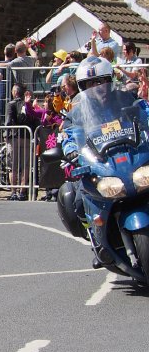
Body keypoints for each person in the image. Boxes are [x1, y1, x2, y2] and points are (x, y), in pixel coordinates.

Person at [61, 56, 149, 265]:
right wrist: (71, 151)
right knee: (79, 201)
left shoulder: (127, 98)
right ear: (83, 87)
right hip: (100, 162)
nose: (97, 87)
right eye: (90, 84)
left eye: (101, 81)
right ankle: (97, 240)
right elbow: (68, 136)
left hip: (130, 156)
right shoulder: (76, 114)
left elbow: (145, 112)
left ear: (110, 81)